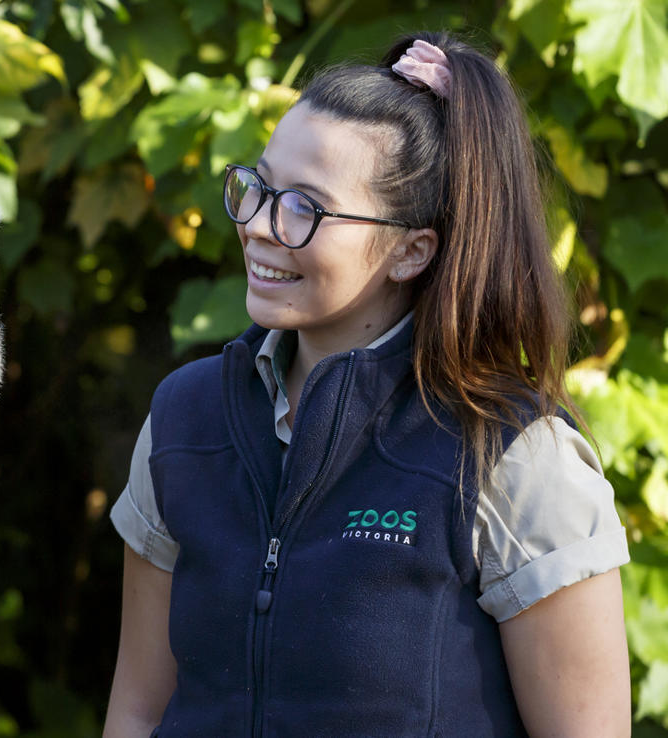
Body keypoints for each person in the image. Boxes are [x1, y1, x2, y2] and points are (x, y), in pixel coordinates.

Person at [103, 31, 631, 737]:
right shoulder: (184, 420)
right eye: (257, 187)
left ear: (412, 251)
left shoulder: (513, 457)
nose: (259, 226)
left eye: (305, 208)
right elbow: (138, 713)